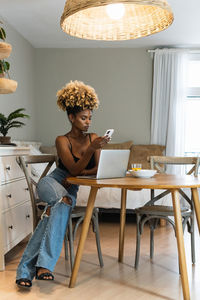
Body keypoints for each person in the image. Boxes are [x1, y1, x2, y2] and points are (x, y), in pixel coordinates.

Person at [16, 80, 109, 289]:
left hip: (70, 187)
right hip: (52, 182)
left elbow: (98, 170)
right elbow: (72, 170)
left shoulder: (93, 137)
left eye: (90, 118)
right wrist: (91, 151)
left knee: (56, 207)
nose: (88, 122)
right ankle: (44, 267)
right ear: (71, 117)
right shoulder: (62, 140)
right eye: (83, 118)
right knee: (62, 201)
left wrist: (87, 163)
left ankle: (25, 270)